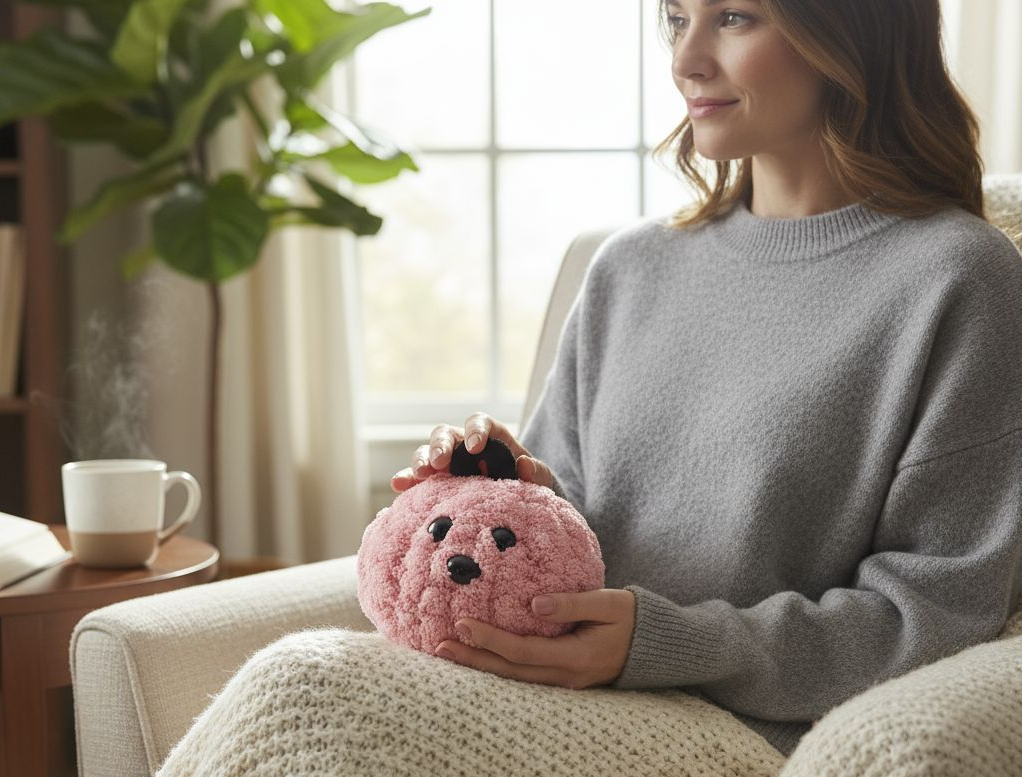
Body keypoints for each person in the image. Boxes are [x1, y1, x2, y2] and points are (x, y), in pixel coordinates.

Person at [391, 0, 1022, 757]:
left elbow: (934, 611)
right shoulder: (629, 269)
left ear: (850, 33)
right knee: (306, 678)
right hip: (552, 692)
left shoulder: (958, 279)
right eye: (674, 17)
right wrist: (498, 488)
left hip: (744, 735)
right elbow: (575, 540)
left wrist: (668, 644)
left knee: (307, 690)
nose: (684, 59)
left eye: (732, 18)